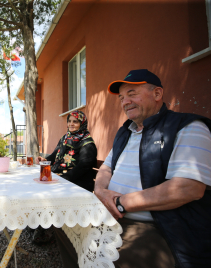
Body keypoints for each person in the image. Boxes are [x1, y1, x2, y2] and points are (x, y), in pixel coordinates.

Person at [56, 69, 211, 268]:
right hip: (112, 212)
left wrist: (120, 203)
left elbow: (187, 188)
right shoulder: (125, 132)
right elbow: (106, 168)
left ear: (157, 94)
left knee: (111, 255)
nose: (125, 102)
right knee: (64, 223)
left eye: (132, 94)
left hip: (158, 226)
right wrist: (101, 192)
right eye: (121, 98)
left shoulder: (187, 126)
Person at [38, 110, 97, 192]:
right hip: (63, 178)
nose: (71, 124)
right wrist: (45, 160)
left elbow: (83, 167)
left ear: (82, 123)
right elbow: (55, 154)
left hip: (78, 183)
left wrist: (63, 179)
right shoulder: (65, 138)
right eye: (69, 121)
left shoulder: (87, 144)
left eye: (75, 121)